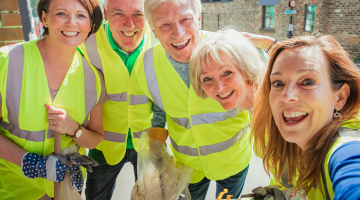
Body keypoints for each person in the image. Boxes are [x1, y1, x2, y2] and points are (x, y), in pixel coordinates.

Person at [129, 0, 275, 199]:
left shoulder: (229, 49)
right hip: (188, 168)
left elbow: (265, 93)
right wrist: (155, 159)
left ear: (198, 19)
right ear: (153, 31)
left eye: (185, 19)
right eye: (164, 24)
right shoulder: (145, 66)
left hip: (233, 161)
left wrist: (272, 45)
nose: (178, 33)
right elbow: (145, 119)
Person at [0, 0, 105, 199]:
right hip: (13, 189)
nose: (71, 22)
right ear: (44, 18)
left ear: (90, 25)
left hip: (66, 190)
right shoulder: (7, 62)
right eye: (62, 13)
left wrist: (74, 129)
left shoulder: (94, 78)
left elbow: (96, 139)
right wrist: (30, 163)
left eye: (81, 15)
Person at [251, 35, 360, 199]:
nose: (287, 96)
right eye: (278, 83)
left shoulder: (345, 147)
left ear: (340, 97)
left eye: (308, 81)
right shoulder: (301, 144)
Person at [77, 0, 158, 199]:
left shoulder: (161, 41)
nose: (129, 24)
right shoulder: (87, 45)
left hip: (148, 145)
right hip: (103, 147)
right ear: (105, 12)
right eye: (119, 13)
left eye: (138, 14)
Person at [189, 28, 265, 112]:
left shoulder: (271, 105)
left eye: (227, 73)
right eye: (207, 79)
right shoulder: (256, 108)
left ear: (247, 68)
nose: (219, 87)